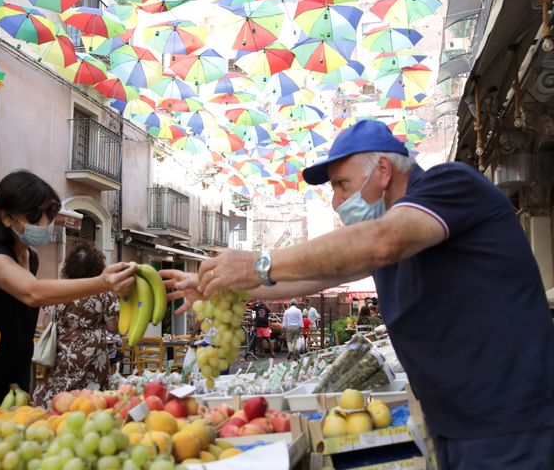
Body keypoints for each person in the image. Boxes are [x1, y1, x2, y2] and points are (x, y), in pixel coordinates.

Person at [162, 120, 554, 468]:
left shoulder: (450, 184)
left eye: (341, 184)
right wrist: (226, 285)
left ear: (383, 170)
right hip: (454, 422)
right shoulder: (388, 234)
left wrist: (257, 263)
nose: (335, 201)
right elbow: (309, 278)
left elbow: (379, 242)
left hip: (508, 421)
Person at [0, 171, 136, 417]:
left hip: (10, 377)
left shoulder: (31, 257)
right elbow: (32, 293)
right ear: (6, 217)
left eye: (50, 213)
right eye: (36, 214)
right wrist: (102, 282)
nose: (45, 222)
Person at [32, 243, 119, 405]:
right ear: (98, 267)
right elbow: (113, 327)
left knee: (62, 399)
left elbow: (46, 322)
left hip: (64, 352)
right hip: (93, 355)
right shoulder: (104, 293)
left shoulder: (61, 289)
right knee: (92, 401)